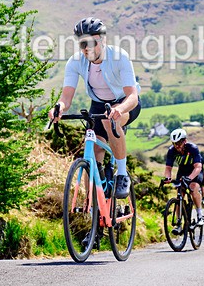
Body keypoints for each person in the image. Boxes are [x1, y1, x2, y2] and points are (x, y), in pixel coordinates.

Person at [50, 17, 141, 198]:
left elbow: (133, 96)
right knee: (92, 149)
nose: (87, 48)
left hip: (125, 103)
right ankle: (93, 206)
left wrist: (120, 110)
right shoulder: (75, 62)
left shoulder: (119, 57)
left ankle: (122, 174)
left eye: (92, 43)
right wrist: (58, 109)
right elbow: (65, 99)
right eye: (83, 43)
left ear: (103, 40)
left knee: (109, 120)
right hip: (98, 104)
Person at [163, 128, 204, 227]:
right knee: (179, 194)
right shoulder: (171, 151)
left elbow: (198, 167)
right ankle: (179, 223)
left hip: (195, 170)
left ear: (184, 141)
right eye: (174, 143)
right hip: (182, 170)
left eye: (179, 143)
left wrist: (190, 178)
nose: (177, 146)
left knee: (193, 188)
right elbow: (168, 168)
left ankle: (200, 215)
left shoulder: (193, 148)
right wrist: (168, 178)